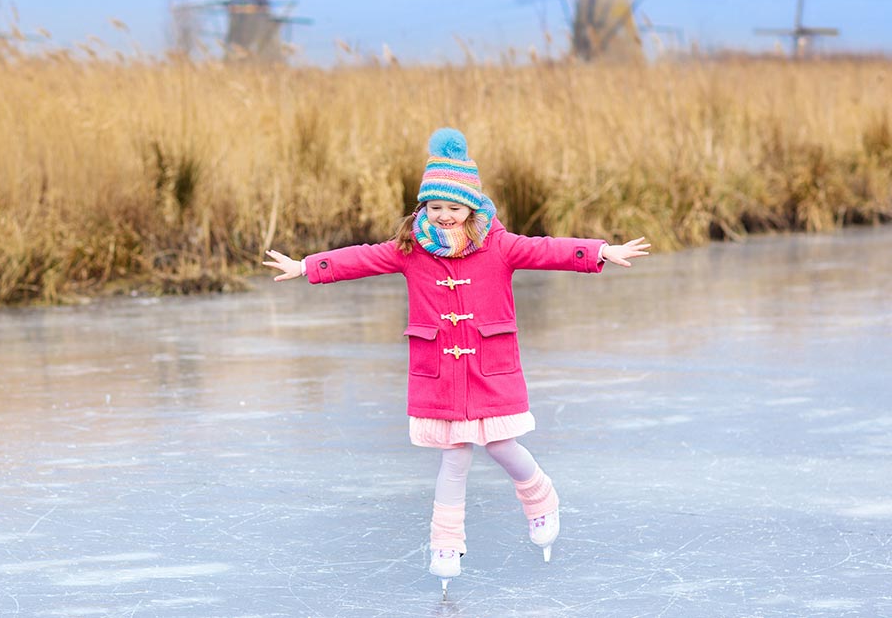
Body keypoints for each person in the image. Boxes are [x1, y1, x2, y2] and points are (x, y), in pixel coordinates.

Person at [263, 128, 649, 587]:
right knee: (455, 455)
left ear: (472, 208)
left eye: (453, 207)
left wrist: (599, 251)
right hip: (440, 372)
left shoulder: (499, 246)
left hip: (489, 366)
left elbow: (547, 249)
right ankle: (445, 542)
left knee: (503, 445)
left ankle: (540, 497)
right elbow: (362, 258)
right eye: (435, 207)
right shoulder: (411, 249)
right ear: (423, 208)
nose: (444, 216)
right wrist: (308, 266)